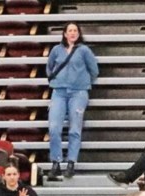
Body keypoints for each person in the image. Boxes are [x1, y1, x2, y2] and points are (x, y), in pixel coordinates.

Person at [46, 22, 99, 181]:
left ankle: (71, 162)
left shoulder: (84, 50)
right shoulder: (56, 50)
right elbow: (49, 67)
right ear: (64, 33)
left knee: (74, 129)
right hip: (59, 92)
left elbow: (94, 70)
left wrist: (82, 82)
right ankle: (55, 162)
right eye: (70, 30)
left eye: (75, 30)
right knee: (54, 127)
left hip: (78, 93)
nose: (73, 33)